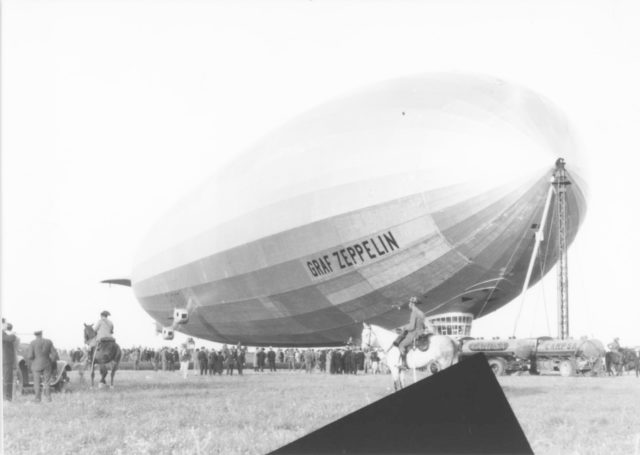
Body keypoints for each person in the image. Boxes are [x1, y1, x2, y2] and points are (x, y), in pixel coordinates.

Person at [395, 296, 430, 369]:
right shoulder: (421, 313)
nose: (408, 305)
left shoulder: (414, 313)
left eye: (409, 303)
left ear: (412, 304)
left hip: (414, 334)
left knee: (401, 344)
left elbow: (411, 327)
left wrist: (404, 327)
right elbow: (423, 325)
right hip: (421, 332)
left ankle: (404, 364)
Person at [26, 330, 56, 403]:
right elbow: (54, 354)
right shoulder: (49, 341)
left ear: (35, 335)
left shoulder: (32, 343)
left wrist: (34, 360)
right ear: (42, 334)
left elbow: (30, 356)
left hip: (36, 364)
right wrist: (51, 361)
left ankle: (37, 399)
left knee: (36, 382)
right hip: (47, 363)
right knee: (47, 381)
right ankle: (48, 398)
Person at [3, 321, 19, 401]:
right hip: (8, 360)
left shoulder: (6, 335)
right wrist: (12, 334)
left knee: (9, 378)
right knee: (9, 379)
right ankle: (7, 397)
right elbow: (14, 340)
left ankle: (8, 397)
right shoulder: (9, 336)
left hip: (8, 359)